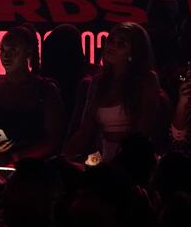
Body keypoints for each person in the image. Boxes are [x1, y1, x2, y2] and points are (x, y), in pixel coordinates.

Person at [65, 22, 166, 161]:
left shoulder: (147, 80)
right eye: (111, 40)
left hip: (136, 158)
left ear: (134, 52)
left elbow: (143, 131)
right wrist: (64, 157)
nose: (112, 46)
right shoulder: (98, 82)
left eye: (121, 44)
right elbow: (85, 130)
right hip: (103, 157)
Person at [0, 25, 65, 163]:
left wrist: (17, 158)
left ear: (28, 52)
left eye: (13, 50)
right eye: (2, 50)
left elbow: (53, 138)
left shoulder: (45, 89)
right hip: (1, 163)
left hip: (37, 166)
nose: (6, 55)